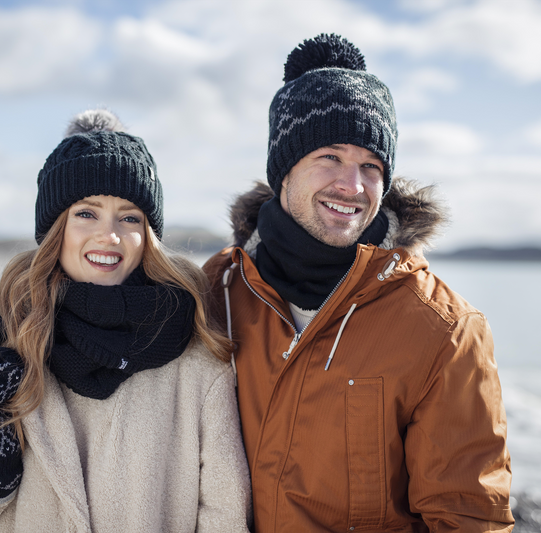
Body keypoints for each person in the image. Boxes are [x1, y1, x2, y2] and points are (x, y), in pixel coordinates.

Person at [203, 34, 514, 532]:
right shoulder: (217, 290)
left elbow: (468, 515)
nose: (353, 186)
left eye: (371, 166)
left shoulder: (443, 329)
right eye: (330, 156)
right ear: (283, 169)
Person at [0, 110, 252, 532]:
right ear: (57, 228)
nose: (109, 235)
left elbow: (224, 518)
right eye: (86, 213)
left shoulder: (194, 353)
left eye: (129, 217)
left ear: (148, 236)